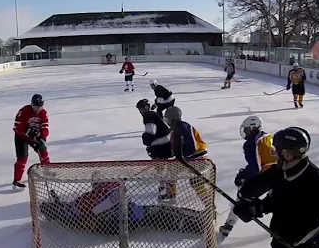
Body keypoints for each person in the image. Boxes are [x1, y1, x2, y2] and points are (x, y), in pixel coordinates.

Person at [41, 173, 210, 235]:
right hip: (132, 218)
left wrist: (58, 207)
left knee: (162, 212)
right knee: (163, 212)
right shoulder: (110, 187)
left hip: (115, 225)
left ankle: (195, 220)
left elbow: (73, 208)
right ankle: (197, 223)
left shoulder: (88, 198)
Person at [219, 115, 276, 238]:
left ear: (253, 128)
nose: (244, 132)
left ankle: (229, 225)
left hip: (267, 176)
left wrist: (242, 175)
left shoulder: (251, 143)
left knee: (242, 197)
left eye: (246, 130)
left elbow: (256, 168)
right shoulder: (268, 136)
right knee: (277, 200)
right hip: (281, 173)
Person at [164, 106, 210, 204]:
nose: (166, 122)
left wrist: (182, 155)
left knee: (196, 182)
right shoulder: (175, 129)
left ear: (172, 119)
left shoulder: (183, 127)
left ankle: (209, 204)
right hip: (189, 159)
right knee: (170, 171)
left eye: (167, 119)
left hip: (197, 158)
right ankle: (170, 195)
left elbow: (191, 146)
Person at [12, 94, 50, 189]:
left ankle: (47, 171)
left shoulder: (43, 113)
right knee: (22, 159)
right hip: (21, 137)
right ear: (31, 104)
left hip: (34, 137)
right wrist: (28, 132)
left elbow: (45, 126)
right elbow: (17, 126)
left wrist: (43, 136)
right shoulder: (24, 111)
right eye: (36, 106)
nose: (38, 109)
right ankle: (17, 180)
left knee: (43, 151)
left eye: (40, 106)